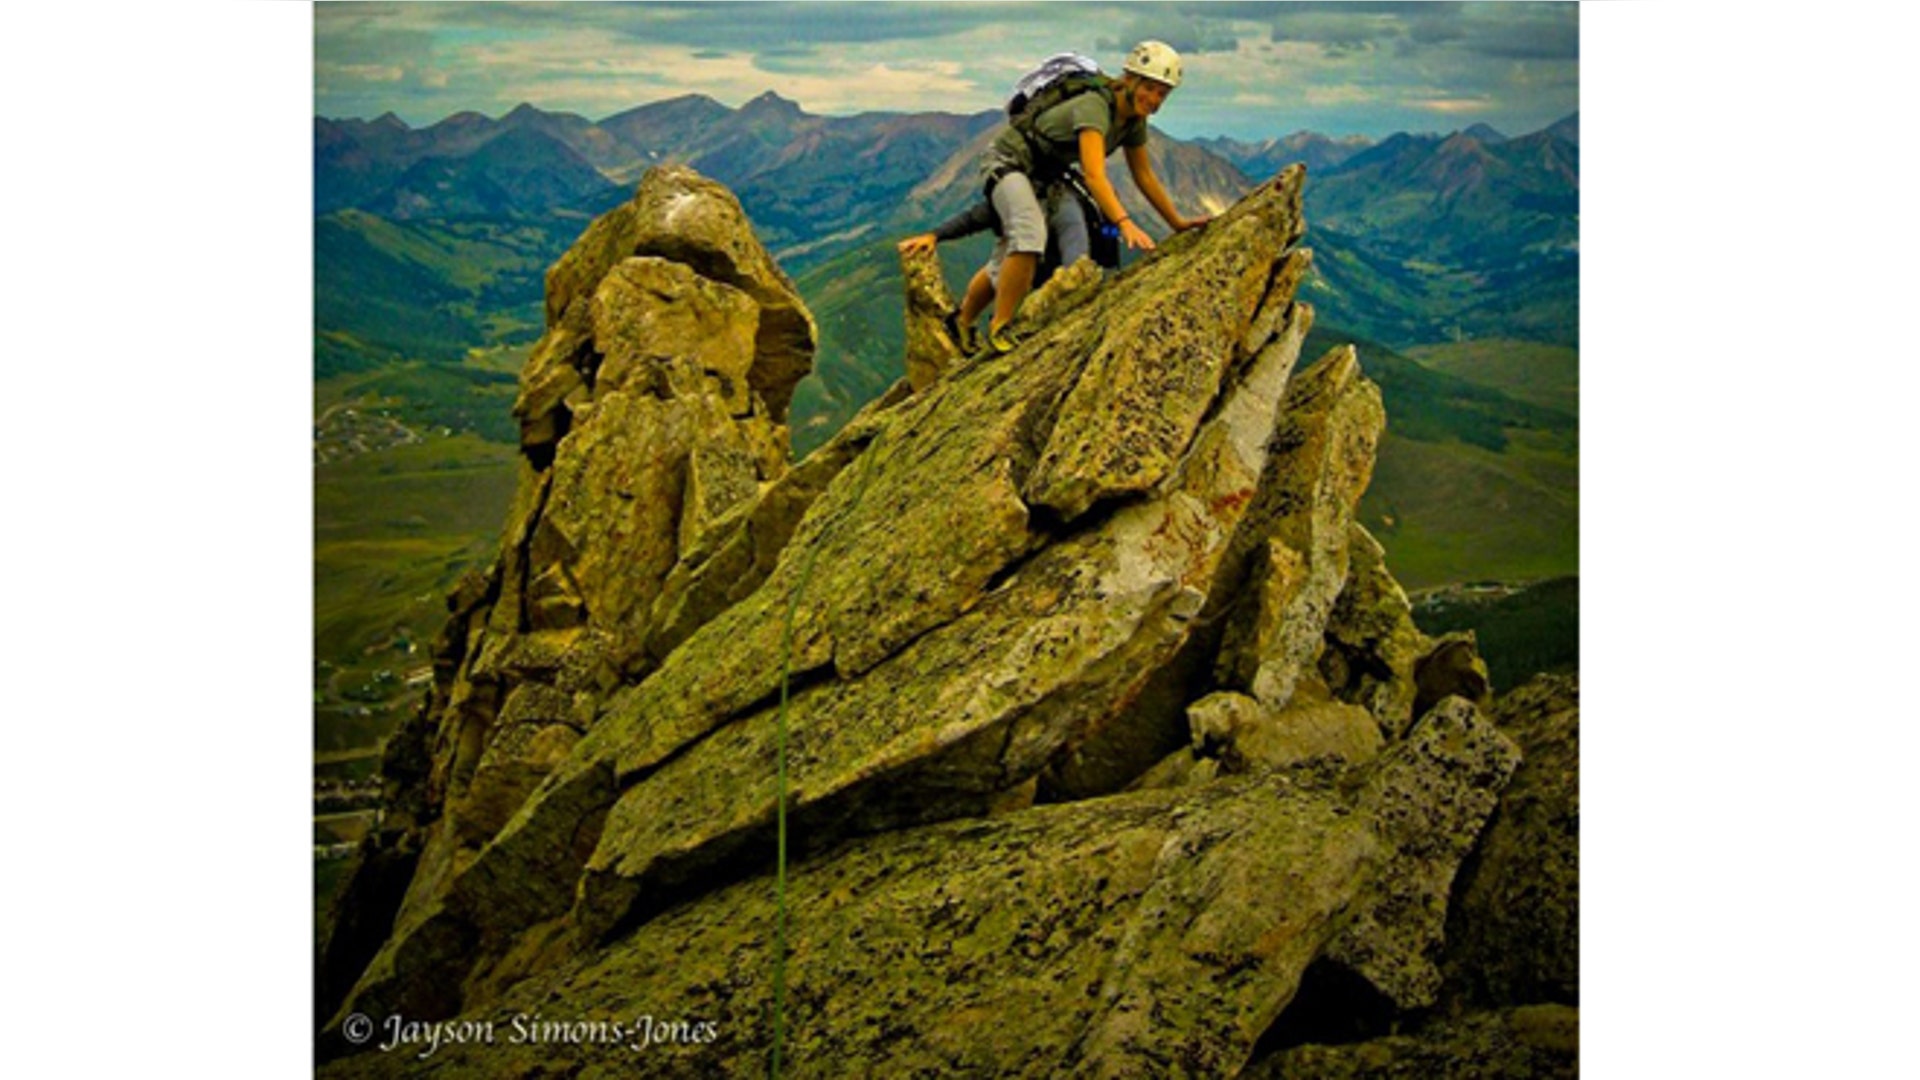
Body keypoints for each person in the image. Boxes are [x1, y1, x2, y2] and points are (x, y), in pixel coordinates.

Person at [974, 39, 1210, 354]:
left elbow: (1144, 176)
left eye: (1162, 93)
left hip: (1043, 174)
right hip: (1007, 162)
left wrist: (1177, 223)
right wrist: (1124, 222)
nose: (1154, 99)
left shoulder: (1134, 121)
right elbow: (1094, 174)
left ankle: (961, 322)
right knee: (1030, 236)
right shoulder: (1095, 106)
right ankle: (1000, 327)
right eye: (1150, 88)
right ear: (1130, 80)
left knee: (1006, 257)